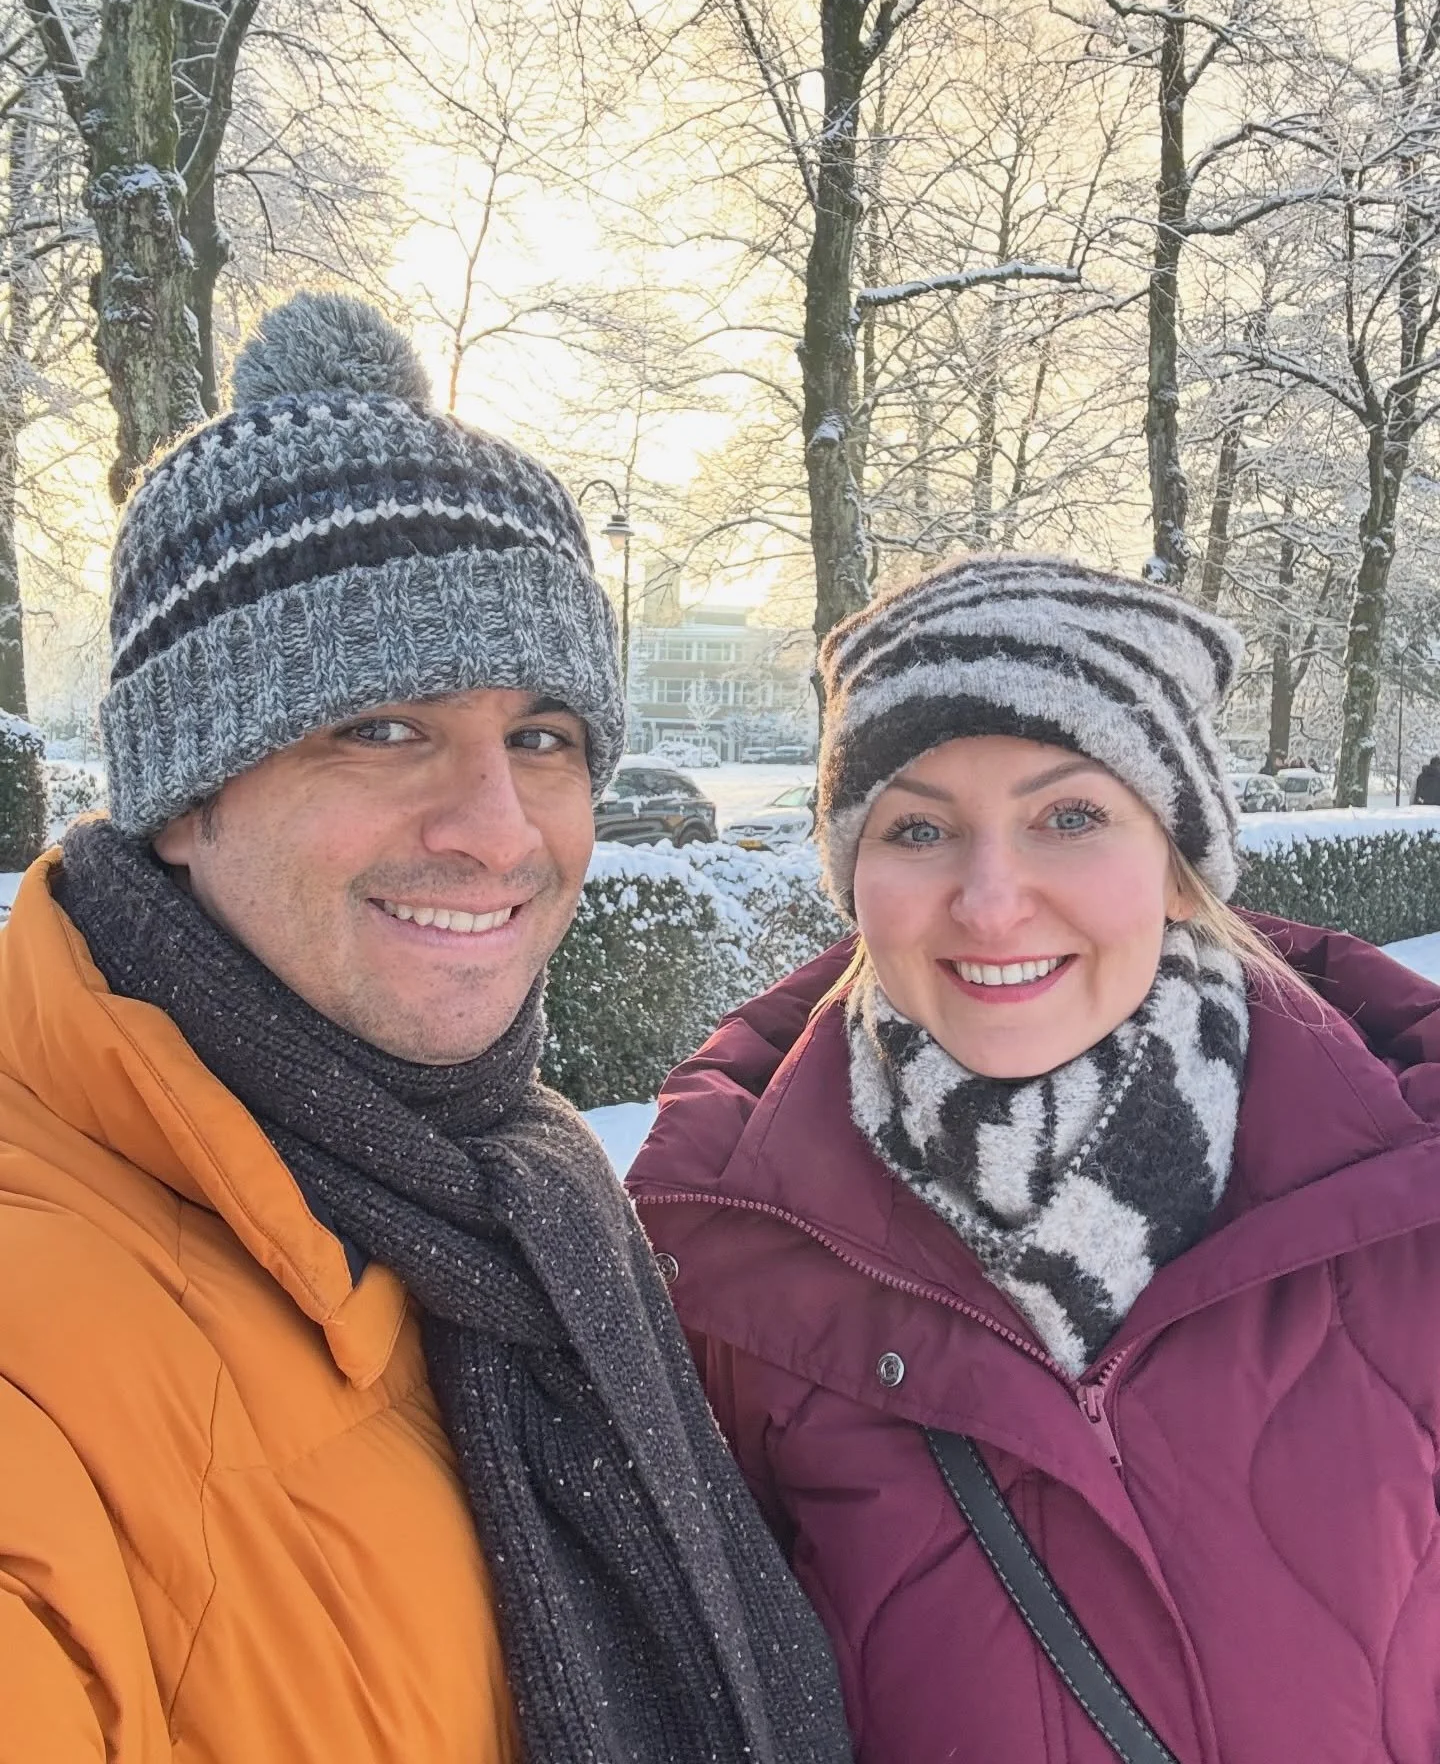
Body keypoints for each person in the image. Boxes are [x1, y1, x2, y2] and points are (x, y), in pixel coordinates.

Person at [0, 293, 852, 1764]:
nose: (499, 830)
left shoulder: (522, 1188)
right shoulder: (42, 1339)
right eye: (382, 728)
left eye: (542, 737)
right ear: (186, 798)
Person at [630, 554, 1440, 1764]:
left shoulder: (1408, 1207)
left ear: (1179, 862)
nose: (991, 901)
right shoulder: (715, 1266)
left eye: (1070, 817)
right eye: (918, 828)